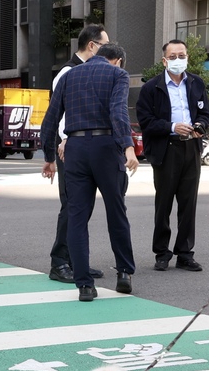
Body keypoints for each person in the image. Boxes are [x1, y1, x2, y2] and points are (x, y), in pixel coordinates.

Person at [40, 42, 138, 302]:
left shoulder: (69, 75)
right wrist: (128, 147)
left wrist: (49, 157)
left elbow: (50, 119)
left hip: (75, 149)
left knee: (77, 216)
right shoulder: (118, 75)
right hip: (106, 147)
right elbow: (118, 112)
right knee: (116, 211)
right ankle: (124, 274)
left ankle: (84, 284)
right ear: (117, 60)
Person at [136, 39, 209, 272]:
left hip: (191, 148)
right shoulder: (152, 87)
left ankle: (185, 253)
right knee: (164, 203)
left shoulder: (197, 83)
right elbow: (145, 121)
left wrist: (200, 125)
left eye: (182, 55)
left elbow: (205, 113)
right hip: (166, 149)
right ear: (164, 60)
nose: (179, 60)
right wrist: (171, 126)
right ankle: (161, 252)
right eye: (174, 56)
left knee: (189, 204)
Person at [47, 25, 110, 284]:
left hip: (84, 148)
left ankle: (77, 260)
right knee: (72, 206)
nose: (108, 50)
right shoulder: (68, 72)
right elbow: (59, 113)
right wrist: (63, 141)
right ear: (92, 46)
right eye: (105, 45)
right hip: (70, 148)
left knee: (82, 207)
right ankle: (59, 262)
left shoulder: (90, 71)